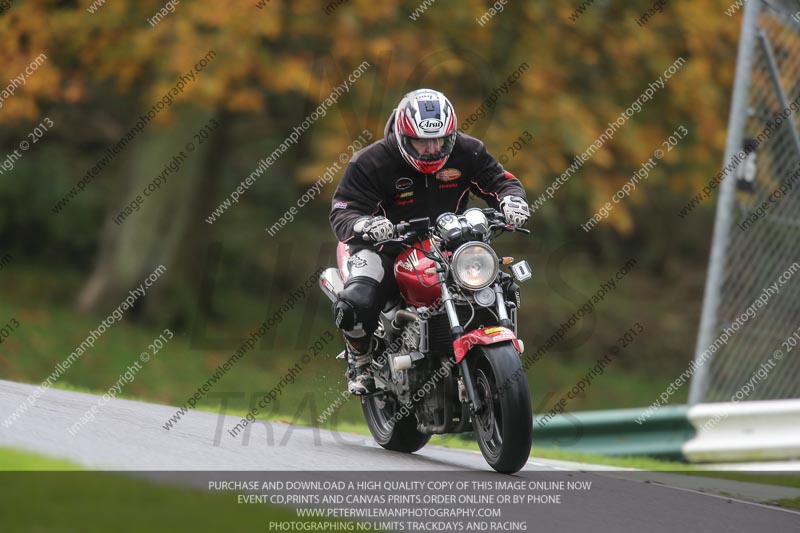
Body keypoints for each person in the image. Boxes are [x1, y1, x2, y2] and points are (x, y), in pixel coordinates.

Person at [329, 88, 529, 395]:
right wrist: (366, 224)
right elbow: (343, 211)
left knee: (501, 283)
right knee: (357, 301)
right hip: (380, 247)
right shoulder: (371, 162)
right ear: (403, 135)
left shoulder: (468, 151)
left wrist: (512, 202)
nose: (432, 149)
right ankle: (361, 360)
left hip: (446, 241)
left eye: (439, 140)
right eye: (421, 141)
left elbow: (500, 180)